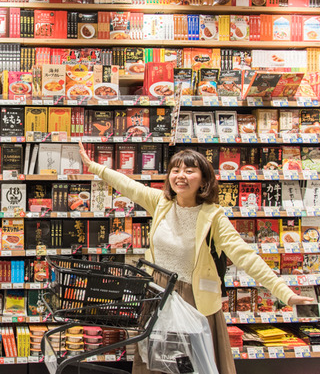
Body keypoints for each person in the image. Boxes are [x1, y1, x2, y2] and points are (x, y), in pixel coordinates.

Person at [78, 144, 313, 374]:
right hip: (158, 293)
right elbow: (127, 185)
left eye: (189, 171)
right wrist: (94, 166)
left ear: (204, 180)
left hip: (193, 298)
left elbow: (245, 256)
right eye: (176, 170)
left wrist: (284, 293)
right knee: (157, 360)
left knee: (190, 364)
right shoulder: (161, 203)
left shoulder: (214, 217)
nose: (180, 176)